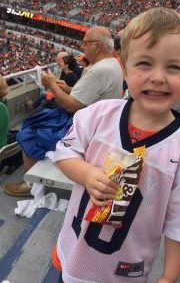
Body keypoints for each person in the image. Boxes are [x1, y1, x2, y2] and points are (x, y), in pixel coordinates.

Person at [52, 7, 180, 283]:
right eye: (145, 64)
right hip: (75, 251)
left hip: (125, 272)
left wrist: (168, 278)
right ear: (125, 68)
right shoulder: (98, 115)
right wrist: (87, 174)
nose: (158, 77)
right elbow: (65, 154)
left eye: (173, 67)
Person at [4, 26, 123, 197]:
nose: (83, 47)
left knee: (29, 131)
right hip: (95, 121)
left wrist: (51, 85)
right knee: (37, 120)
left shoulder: (99, 70)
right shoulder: (110, 64)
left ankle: (30, 185)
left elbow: (71, 105)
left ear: (97, 46)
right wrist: (67, 88)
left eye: (85, 43)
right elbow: (85, 96)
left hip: (84, 126)